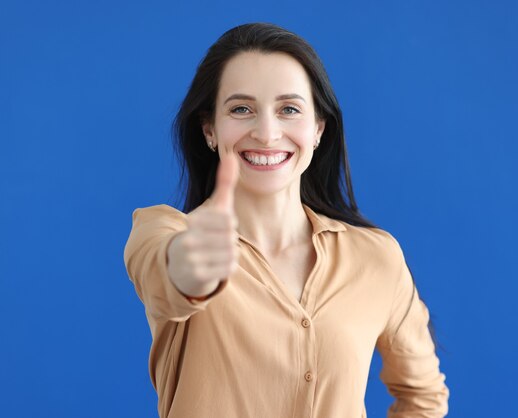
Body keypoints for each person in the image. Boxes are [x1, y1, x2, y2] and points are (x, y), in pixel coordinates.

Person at [124, 22, 449, 418]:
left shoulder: (376, 257)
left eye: (289, 109)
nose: (266, 132)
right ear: (210, 129)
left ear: (318, 129)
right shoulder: (164, 232)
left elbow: (424, 398)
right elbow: (164, 273)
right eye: (241, 109)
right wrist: (190, 267)